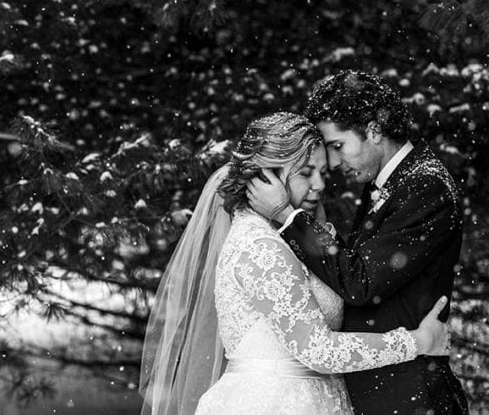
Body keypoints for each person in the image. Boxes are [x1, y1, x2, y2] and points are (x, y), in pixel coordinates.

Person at [140, 112, 450, 414]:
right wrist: (416, 341)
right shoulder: (259, 246)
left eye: (321, 173)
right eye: (305, 173)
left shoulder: (287, 235)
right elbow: (319, 350)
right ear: (265, 176)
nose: (319, 185)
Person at [247, 71, 468, 414]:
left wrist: (287, 216)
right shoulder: (388, 184)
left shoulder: (426, 186)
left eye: (337, 146)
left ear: (374, 130)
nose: (333, 164)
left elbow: (361, 282)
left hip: (409, 395)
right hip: (389, 390)